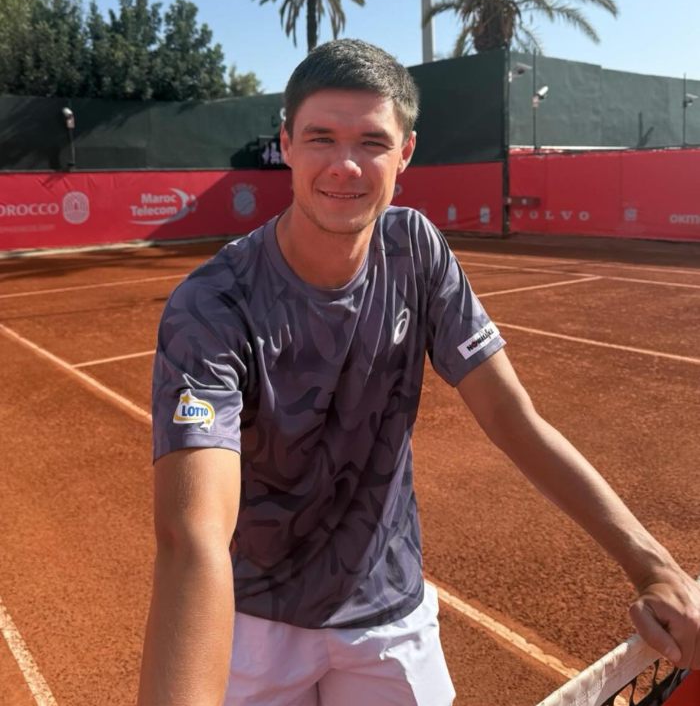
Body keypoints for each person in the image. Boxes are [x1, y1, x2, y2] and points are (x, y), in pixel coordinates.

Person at [137, 39, 700, 706]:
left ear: (405, 153)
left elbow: (511, 416)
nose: (345, 164)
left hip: (388, 609)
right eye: (321, 137)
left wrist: (653, 566)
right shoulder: (212, 304)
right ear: (285, 143)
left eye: (372, 142)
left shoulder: (414, 249)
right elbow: (193, 535)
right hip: (253, 618)